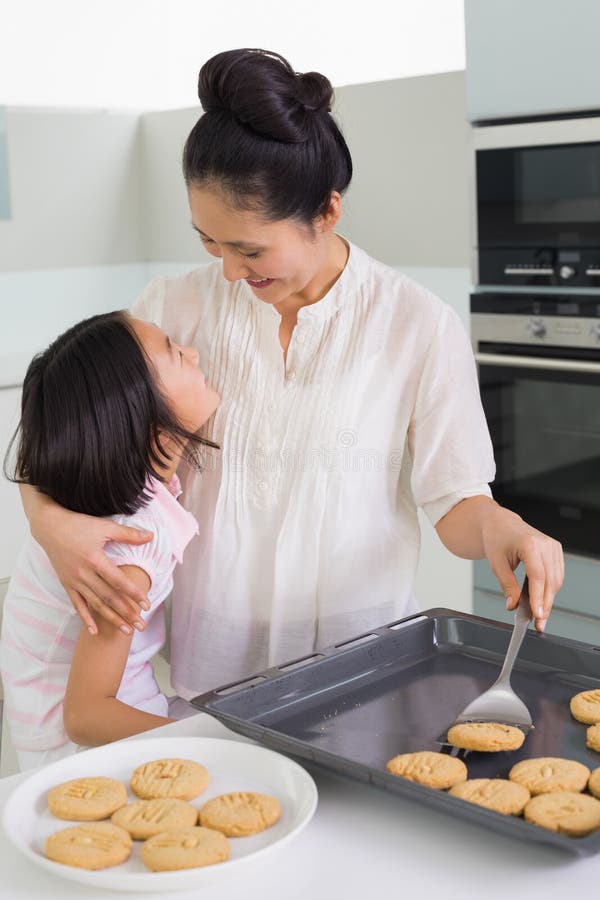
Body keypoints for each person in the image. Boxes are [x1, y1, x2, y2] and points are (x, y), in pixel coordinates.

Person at [20, 49, 564, 709]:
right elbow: (76, 433)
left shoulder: (417, 324)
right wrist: (50, 522)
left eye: (249, 249)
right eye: (209, 242)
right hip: (211, 667)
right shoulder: (172, 311)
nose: (227, 271)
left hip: (362, 662)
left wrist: (504, 527)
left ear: (327, 213)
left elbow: (455, 503)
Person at [0, 311, 219, 769]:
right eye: (178, 354)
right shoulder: (133, 543)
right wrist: (211, 746)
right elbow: (86, 715)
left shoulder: (87, 492)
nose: (195, 353)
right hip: (80, 758)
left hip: (47, 731)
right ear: (152, 426)